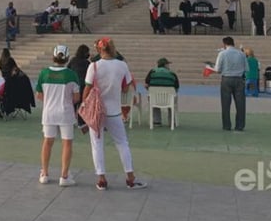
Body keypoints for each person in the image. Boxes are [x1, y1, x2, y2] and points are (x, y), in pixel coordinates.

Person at [83, 37, 147, 190]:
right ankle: (130, 178)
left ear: (99, 50)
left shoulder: (94, 66)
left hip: (97, 112)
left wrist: (85, 106)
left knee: (97, 145)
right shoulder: (122, 65)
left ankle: (101, 179)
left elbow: (87, 88)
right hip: (114, 111)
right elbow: (125, 88)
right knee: (122, 143)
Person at [36, 45, 81, 186]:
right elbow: (76, 98)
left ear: (53, 57)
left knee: (47, 142)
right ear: (67, 58)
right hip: (65, 113)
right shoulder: (71, 75)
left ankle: (44, 173)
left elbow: (39, 95)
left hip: (49, 113)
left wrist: (49, 99)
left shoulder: (44, 73)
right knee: (67, 143)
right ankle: (64, 176)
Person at [210, 36, 247, 131]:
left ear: (224, 44)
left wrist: (211, 67)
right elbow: (247, 69)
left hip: (226, 79)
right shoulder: (241, 54)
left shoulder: (222, 54)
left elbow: (218, 69)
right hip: (239, 79)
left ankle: (226, 125)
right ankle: (240, 125)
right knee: (240, 103)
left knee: (225, 104)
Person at [145, 57, 180, 126]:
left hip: (155, 99)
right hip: (169, 99)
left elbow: (146, 85)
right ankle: (172, 122)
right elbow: (176, 88)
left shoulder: (152, 72)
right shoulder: (172, 74)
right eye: (168, 64)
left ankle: (156, 121)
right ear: (165, 65)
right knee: (172, 97)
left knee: (153, 96)